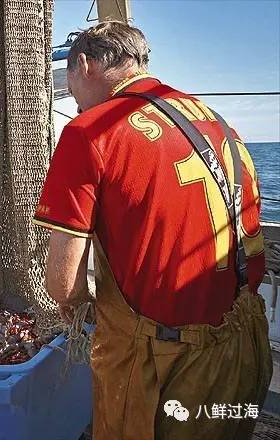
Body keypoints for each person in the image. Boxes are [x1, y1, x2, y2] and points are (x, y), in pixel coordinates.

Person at [33, 21, 271, 440]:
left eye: (70, 90)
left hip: (166, 369)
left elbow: (62, 283)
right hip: (245, 343)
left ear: (84, 65)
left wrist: (80, 305)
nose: (73, 106)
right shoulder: (215, 122)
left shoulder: (90, 131)